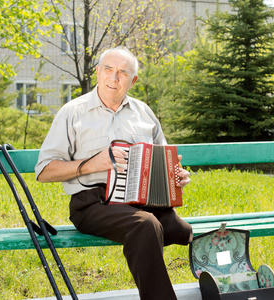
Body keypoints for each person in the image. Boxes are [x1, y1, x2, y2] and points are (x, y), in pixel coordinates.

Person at [35, 46, 193, 300]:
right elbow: (44, 171)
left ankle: (224, 285)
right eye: (108, 69)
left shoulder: (144, 113)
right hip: (92, 203)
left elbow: (162, 161)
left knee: (181, 230)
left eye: (123, 72)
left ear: (133, 80)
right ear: (97, 72)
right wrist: (92, 164)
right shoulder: (73, 112)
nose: (114, 77)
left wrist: (176, 176)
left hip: (141, 200)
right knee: (146, 226)